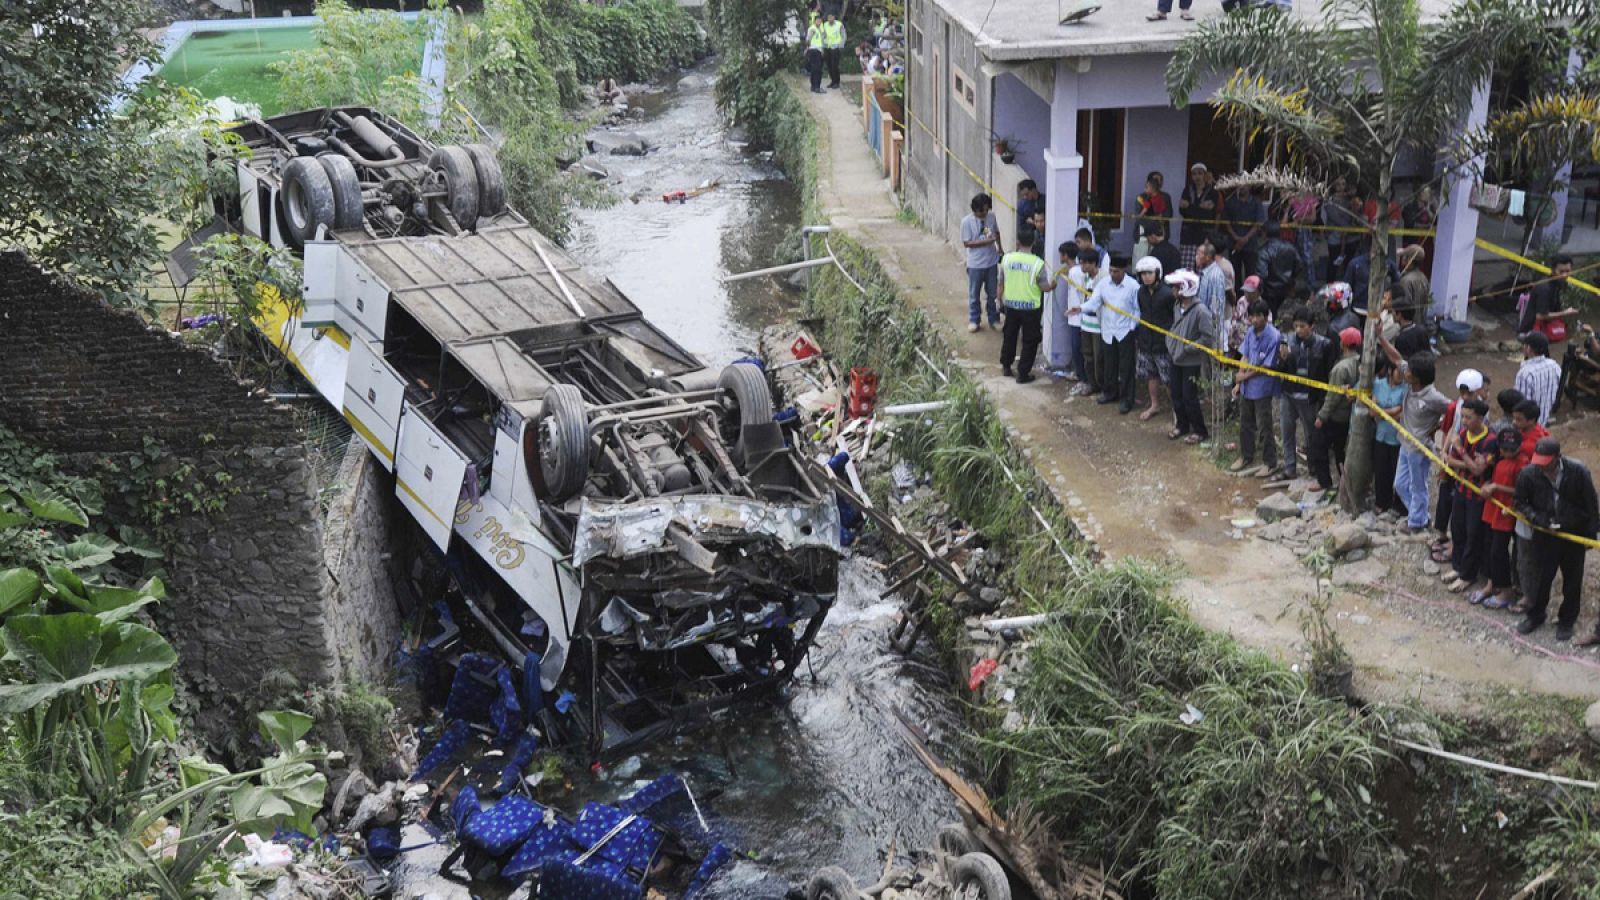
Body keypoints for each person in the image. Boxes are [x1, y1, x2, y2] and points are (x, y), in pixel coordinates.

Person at [1513, 438, 1599, 639]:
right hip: (1545, 535)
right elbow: (1519, 502)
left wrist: (1590, 535)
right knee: (1541, 578)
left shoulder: (1578, 472)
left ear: (1557, 458)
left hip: (1573, 535)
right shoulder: (1528, 473)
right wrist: (1537, 518)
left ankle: (1567, 621)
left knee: (1572, 580)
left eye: (1546, 461)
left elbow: (1592, 504)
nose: (1542, 465)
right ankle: (1535, 616)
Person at [1378, 343, 1451, 532]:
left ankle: (1416, 522)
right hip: (1405, 443)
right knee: (1400, 485)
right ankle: (1420, 515)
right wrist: (1380, 337)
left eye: (1409, 371)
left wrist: (1437, 427)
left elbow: (1453, 411)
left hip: (1419, 448)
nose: (1405, 372)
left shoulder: (1434, 397)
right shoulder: (1411, 383)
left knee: (1418, 487)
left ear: (1417, 377)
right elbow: (1396, 357)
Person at [1277, 306, 1337, 481]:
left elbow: (1328, 373)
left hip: (1310, 398)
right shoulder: (1287, 342)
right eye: (1296, 326)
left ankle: (1313, 468)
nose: (1298, 330)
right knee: (1287, 431)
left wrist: (1322, 400)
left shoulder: (1324, 345)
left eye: (1302, 326)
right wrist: (1283, 359)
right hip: (1289, 394)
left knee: (1311, 435)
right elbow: (1279, 370)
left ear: (1312, 326)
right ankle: (1289, 467)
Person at [1443, 398, 1495, 594]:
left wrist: (1461, 451)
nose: (1464, 421)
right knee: (1458, 530)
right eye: (1463, 416)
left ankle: (1468, 575)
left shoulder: (1490, 440)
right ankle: (1457, 567)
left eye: (1468, 417)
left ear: (1480, 418)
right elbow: (1450, 461)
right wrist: (1471, 464)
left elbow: (1479, 471)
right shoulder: (1463, 434)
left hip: (1477, 496)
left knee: (1474, 534)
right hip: (1461, 490)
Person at [1476, 426, 1526, 609]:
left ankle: (1506, 590)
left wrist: (1496, 487)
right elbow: (1495, 479)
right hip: (1492, 509)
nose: (1505, 452)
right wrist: (1489, 485)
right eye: (1503, 448)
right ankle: (1492, 584)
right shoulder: (1500, 460)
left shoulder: (1522, 464)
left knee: (1499, 552)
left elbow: (1520, 491)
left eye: (1510, 449)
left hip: (1506, 513)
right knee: (1489, 547)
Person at [1165, 269, 1216, 444]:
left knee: (1189, 396)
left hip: (1191, 361)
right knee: (1176, 394)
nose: (1173, 291)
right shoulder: (1176, 307)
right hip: (1176, 358)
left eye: (1176, 287)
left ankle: (1200, 430)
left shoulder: (1201, 311)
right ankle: (1182, 425)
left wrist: (1188, 348)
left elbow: (1207, 338)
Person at [1230, 300, 1282, 475]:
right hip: (1246, 387)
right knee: (1245, 422)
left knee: (1264, 425)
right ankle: (1246, 455)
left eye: (1258, 316)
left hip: (1262, 388)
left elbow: (1265, 367)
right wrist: (1239, 382)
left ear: (1266, 317)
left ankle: (1270, 462)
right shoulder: (1251, 332)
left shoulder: (1274, 337)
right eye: (1251, 316)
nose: (1254, 320)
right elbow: (1244, 355)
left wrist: (1243, 376)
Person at [1311, 326, 1362, 493]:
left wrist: (1321, 416)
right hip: (1350, 416)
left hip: (1335, 416)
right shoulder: (1361, 364)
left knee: (1319, 445)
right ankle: (1344, 483)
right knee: (1341, 451)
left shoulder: (1341, 368)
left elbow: (1332, 397)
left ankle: (1324, 481)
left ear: (1344, 344)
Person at [997, 244, 1053, 383]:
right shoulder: (1037, 263)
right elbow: (1044, 287)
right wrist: (1053, 286)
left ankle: (1006, 366)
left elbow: (1000, 282)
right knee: (1030, 340)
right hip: (1031, 308)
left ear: (1017, 243)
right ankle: (1023, 373)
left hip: (1011, 306)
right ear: (1033, 244)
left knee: (1009, 335)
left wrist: (999, 299)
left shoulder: (1007, 259)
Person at [1093, 253, 1141, 414]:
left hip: (1125, 331)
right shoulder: (1103, 284)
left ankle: (1127, 400)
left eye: (1116, 271)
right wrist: (1081, 308)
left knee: (1126, 367)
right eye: (1111, 271)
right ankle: (1110, 393)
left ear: (1124, 270)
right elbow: (1094, 301)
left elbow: (1137, 309)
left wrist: (1131, 328)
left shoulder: (1133, 286)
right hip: (1108, 330)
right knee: (1109, 364)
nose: (1113, 274)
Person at [1134, 255, 1176, 422]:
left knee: (1168, 380)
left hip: (1163, 343)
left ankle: (1177, 410)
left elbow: (1173, 318)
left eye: (1149, 273)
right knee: (1151, 376)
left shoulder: (1167, 294)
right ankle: (1154, 404)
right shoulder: (1141, 292)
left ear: (1157, 273)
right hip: (1146, 342)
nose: (1146, 276)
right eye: (1143, 273)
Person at [1065, 246, 1106, 396]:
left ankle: (1102, 386)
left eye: (1084, 263)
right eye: (1080, 263)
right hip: (1086, 323)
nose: (1081, 266)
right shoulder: (1083, 278)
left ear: (1093, 263)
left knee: (1098, 358)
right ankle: (1092, 384)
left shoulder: (1103, 278)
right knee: (1087, 355)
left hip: (1098, 326)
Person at [1371, 357, 1409, 517]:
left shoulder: (1406, 389)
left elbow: (1401, 412)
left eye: (1403, 372)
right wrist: (1390, 412)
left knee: (1397, 472)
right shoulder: (1379, 385)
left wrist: (1382, 412)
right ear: (1389, 371)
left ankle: (1399, 505)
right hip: (1381, 435)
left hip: (1398, 438)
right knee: (1381, 470)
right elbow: (1372, 410)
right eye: (1397, 371)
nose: (1400, 375)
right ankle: (1381, 502)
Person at [961, 194, 1003, 332]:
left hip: (991, 262)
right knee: (974, 294)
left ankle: (994, 318)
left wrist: (1000, 249)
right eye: (981, 211)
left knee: (993, 293)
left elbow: (995, 232)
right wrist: (985, 242)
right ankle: (974, 320)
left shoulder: (991, 217)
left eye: (986, 210)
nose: (984, 213)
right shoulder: (966, 222)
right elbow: (967, 243)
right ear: (975, 210)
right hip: (975, 264)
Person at [1517, 254, 1578, 338]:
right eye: (1561, 271)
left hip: (1541, 329)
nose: (1564, 275)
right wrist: (1565, 313)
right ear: (1552, 270)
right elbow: (1540, 316)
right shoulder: (1544, 288)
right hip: (1530, 333)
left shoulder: (1556, 283)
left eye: (1567, 271)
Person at [1515, 331, 1562, 426]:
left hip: (1529, 425)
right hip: (1545, 417)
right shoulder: (1554, 365)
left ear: (1529, 349)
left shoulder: (1525, 374)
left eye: (1525, 344)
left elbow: (1522, 406)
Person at [1223, 185, 1269, 278]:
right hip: (1233, 243)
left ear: (1249, 187)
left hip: (1251, 244)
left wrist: (1246, 238)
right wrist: (1236, 237)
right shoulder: (1230, 202)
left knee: (1251, 273)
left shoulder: (1256, 202)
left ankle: (1250, 293)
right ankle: (1236, 293)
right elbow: (1226, 222)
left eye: (1244, 185)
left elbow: (1259, 222)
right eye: (1239, 185)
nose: (1242, 187)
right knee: (1234, 273)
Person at [1179, 164, 1219, 269]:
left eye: (1200, 173)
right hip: (1188, 236)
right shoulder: (1187, 190)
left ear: (1205, 175)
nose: (1197, 177)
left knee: (1203, 269)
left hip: (1205, 236)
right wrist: (1200, 208)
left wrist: (1190, 206)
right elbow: (1182, 211)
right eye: (1194, 174)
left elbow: (1208, 214)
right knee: (1186, 269)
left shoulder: (1213, 192)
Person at [1256, 235, 1304, 316]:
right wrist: (1291, 278)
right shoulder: (1290, 247)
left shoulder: (1264, 251)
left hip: (1269, 291)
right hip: (1285, 287)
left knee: (1271, 314)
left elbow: (1262, 274)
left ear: (1264, 233)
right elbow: (1299, 265)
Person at [1195, 239, 1228, 352]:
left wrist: (1212, 334)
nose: (1196, 257)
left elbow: (1216, 308)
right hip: (1202, 329)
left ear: (1208, 257)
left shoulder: (1215, 275)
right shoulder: (1204, 273)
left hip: (1210, 332)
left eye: (1199, 254)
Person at [1395, 244, 1432, 332]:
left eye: (1404, 256)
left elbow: (1404, 307)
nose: (1402, 258)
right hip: (1420, 324)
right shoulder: (1424, 278)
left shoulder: (1406, 280)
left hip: (1408, 327)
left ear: (1409, 260)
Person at [1135, 171, 1173, 242]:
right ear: (1149, 182)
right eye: (1156, 180)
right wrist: (1149, 234)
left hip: (1161, 236)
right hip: (1144, 236)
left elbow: (1169, 214)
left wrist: (1160, 216)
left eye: (1161, 180)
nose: (1159, 182)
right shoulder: (1141, 197)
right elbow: (1140, 216)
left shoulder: (1165, 197)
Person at [1229, 275, 1263, 355]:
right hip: (1236, 344)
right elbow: (1235, 319)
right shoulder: (1241, 301)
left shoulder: (1262, 308)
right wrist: (1230, 336)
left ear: (1259, 292)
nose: (1247, 294)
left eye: (1250, 292)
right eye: (1246, 291)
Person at [1016, 181, 1045, 246]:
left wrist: (1035, 222)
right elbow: (1021, 225)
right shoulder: (1022, 205)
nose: (1025, 197)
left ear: (1034, 190)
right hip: (1029, 239)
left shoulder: (1046, 201)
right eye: (1023, 195)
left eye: (1026, 194)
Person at [822, 13, 846, 89]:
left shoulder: (839, 24)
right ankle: (832, 81)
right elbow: (823, 35)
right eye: (828, 17)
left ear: (834, 17)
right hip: (827, 47)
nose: (830, 19)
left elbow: (844, 35)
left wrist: (841, 46)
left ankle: (837, 82)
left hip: (836, 48)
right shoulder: (825, 25)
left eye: (831, 17)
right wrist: (823, 44)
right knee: (829, 66)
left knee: (834, 66)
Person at [805, 18, 826, 93]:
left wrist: (822, 50)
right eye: (818, 20)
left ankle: (813, 86)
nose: (819, 22)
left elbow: (820, 41)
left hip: (818, 50)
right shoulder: (812, 29)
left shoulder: (819, 29)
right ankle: (817, 87)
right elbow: (808, 40)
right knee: (817, 70)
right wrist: (807, 48)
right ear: (815, 21)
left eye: (820, 21)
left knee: (815, 69)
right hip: (814, 50)